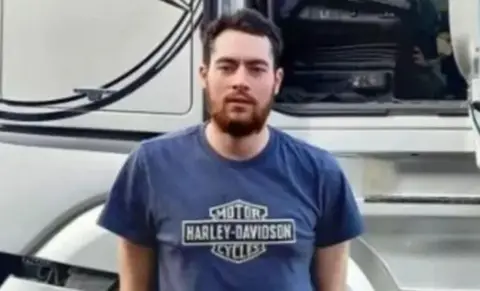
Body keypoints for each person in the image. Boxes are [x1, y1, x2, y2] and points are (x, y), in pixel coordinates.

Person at [97, 8, 364, 291]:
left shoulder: (320, 173)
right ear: (204, 76)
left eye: (256, 68)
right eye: (226, 67)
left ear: (277, 80)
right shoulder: (150, 166)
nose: (240, 81)